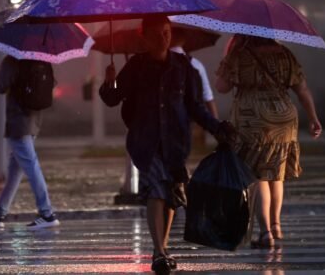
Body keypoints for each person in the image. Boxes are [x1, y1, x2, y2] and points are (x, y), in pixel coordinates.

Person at [100, 16, 234, 274]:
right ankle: (160, 251)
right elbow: (112, 99)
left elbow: (195, 107)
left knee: (171, 195)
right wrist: (110, 80)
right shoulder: (136, 66)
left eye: (167, 33)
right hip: (145, 141)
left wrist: (217, 128)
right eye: (157, 34)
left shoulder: (184, 67)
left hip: (175, 141)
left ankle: (160, 248)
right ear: (145, 37)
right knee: (157, 190)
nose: (163, 39)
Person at [215, 34, 322, 248]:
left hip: (253, 120)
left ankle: (265, 233)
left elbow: (221, 87)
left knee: (257, 175)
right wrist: (313, 118)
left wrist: (228, 62)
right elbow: (302, 89)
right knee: (276, 174)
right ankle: (276, 225)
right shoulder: (285, 54)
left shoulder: (238, 55)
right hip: (284, 119)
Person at [0, 56, 60, 231]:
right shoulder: (41, 59)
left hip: (18, 122)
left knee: (31, 165)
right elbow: (51, 85)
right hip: (34, 120)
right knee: (15, 168)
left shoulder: (12, 61)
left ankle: (47, 213)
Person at [170, 28, 218, 117]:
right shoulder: (196, 64)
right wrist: (217, 125)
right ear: (184, 40)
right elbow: (208, 96)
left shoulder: (154, 66)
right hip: (193, 121)